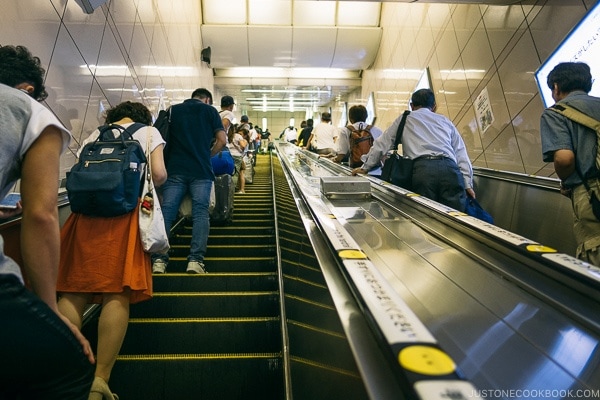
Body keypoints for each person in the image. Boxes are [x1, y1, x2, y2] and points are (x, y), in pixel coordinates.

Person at [0, 44, 95, 400]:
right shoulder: (32, 112)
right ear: (28, 89)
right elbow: (41, 213)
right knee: (67, 371)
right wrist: (50, 312)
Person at [57, 101, 167, 400]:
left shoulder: (95, 134)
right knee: (117, 290)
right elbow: (158, 174)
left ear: (113, 117)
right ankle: (100, 379)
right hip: (124, 217)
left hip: (85, 219)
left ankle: (66, 373)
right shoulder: (148, 133)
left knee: (73, 290)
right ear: (144, 116)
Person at [353, 88, 475, 212]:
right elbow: (461, 152)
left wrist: (366, 167)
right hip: (451, 170)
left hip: (423, 171)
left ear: (411, 106)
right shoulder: (445, 121)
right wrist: (467, 183)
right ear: (434, 106)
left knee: (426, 215)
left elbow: (382, 143)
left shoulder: (406, 118)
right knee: (455, 217)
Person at [152, 89, 227, 274]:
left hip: (175, 169)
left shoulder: (173, 110)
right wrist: (208, 155)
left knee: (167, 212)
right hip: (201, 170)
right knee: (200, 213)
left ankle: (159, 261)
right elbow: (222, 140)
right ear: (207, 99)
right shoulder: (210, 112)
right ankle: (195, 261)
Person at [540, 62, 600, 266]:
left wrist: (567, 181)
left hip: (592, 194)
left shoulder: (555, 113)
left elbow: (564, 159)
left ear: (556, 87)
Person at [334, 105, 383, 173]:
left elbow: (342, 152)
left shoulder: (345, 130)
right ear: (366, 117)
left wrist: (335, 159)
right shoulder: (377, 130)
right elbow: (383, 151)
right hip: (375, 169)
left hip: (355, 168)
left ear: (350, 118)